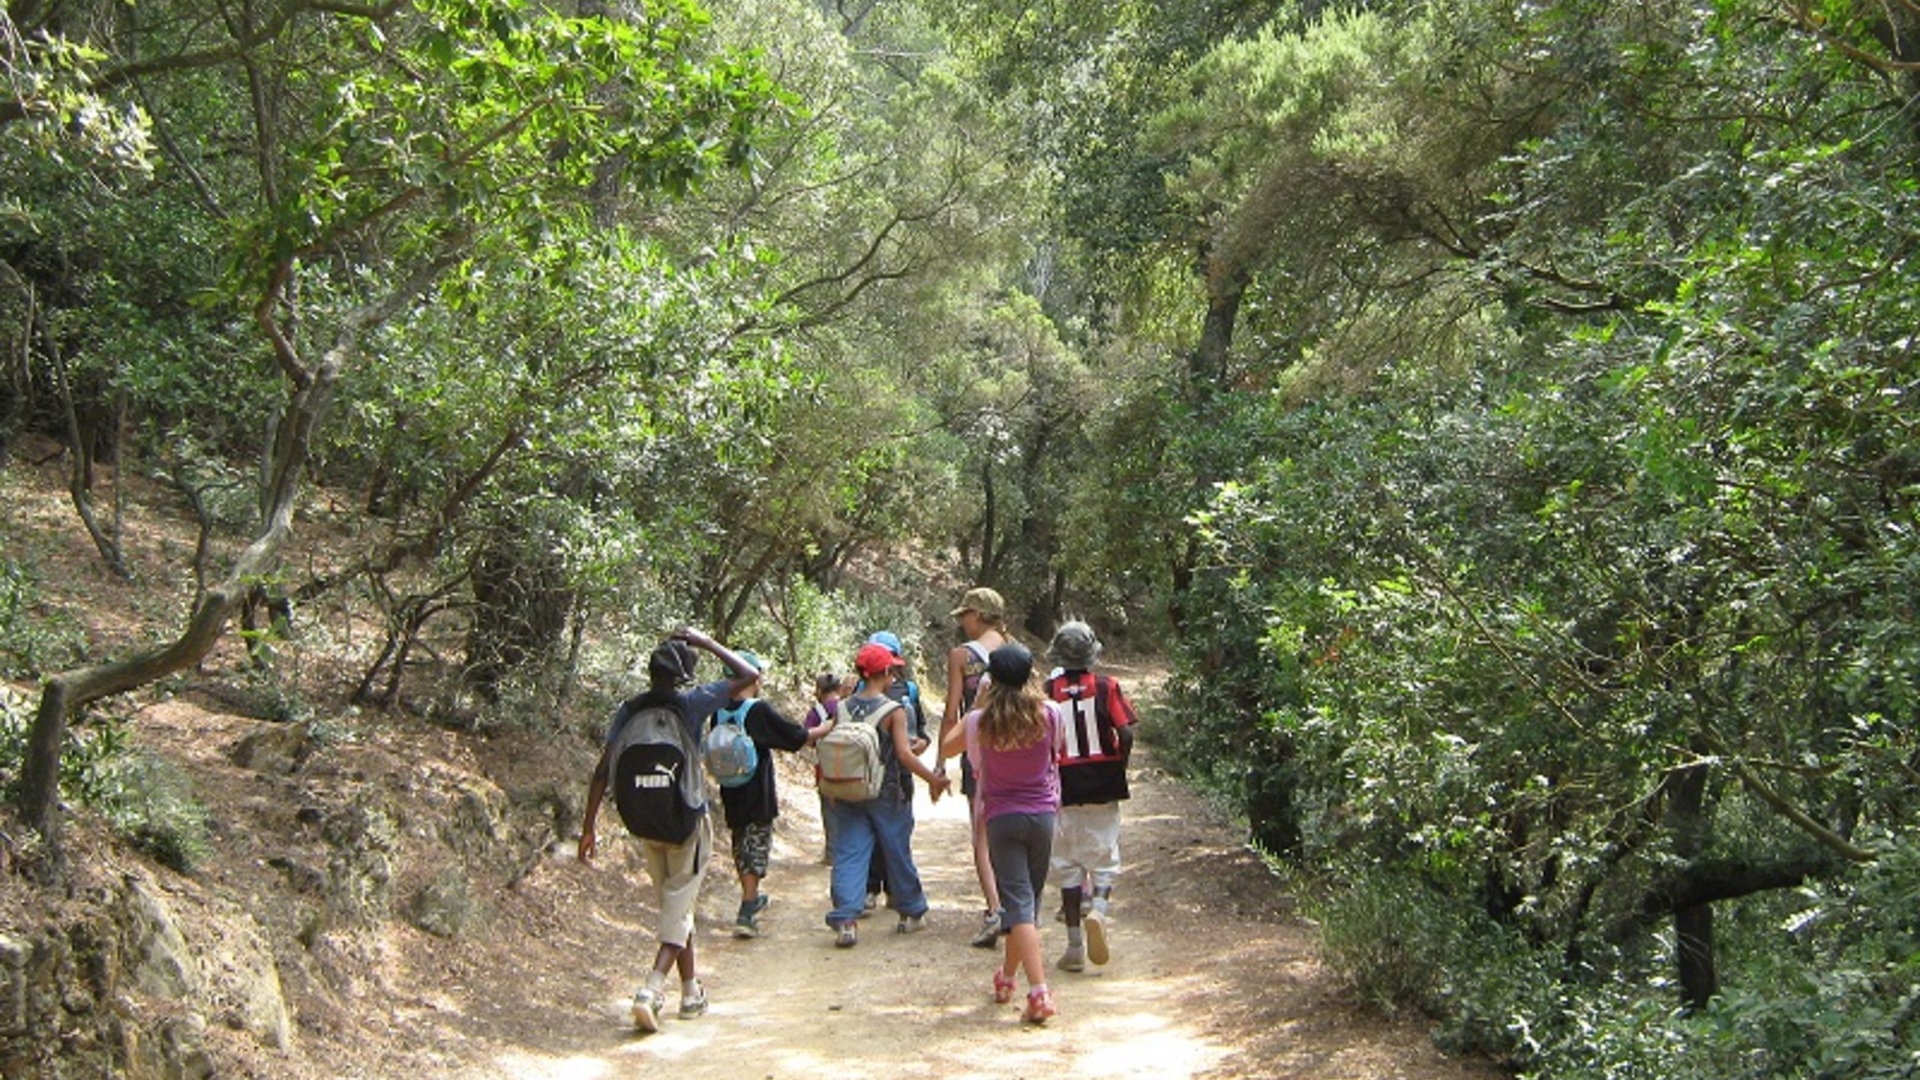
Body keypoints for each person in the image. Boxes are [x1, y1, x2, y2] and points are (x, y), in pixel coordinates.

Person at [577, 627, 757, 1033]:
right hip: (686, 820)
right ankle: (650, 990)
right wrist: (707, 642)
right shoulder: (691, 704)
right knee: (679, 905)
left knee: (676, 907)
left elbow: (602, 771)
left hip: (645, 820)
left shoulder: (630, 710)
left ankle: (690, 991)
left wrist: (588, 829)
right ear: (684, 675)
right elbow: (748, 675)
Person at [940, 642, 1062, 1024]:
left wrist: (977, 705)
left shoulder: (981, 720)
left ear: (991, 678)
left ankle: (1039, 991)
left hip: (1001, 817)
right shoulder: (1050, 712)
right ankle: (1007, 978)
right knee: (1025, 902)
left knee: (1018, 903)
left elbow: (946, 747)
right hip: (1043, 814)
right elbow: (1057, 753)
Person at [824, 642, 952, 946]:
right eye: (892, 668)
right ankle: (911, 911)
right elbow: (905, 756)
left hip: (848, 789)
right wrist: (933, 779)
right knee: (896, 850)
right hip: (886, 791)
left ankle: (845, 919)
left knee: (850, 852)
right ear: (884, 672)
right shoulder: (893, 711)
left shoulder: (843, 707)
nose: (895, 673)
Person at [1043, 621, 1138, 972]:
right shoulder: (1106, 686)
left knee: (1067, 865)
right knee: (1105, 854)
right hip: (1102, 781)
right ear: (1091, 654)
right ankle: (1098, 907)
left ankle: (1073, 947)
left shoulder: (1047, 690)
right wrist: (1119, 767)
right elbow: (1125, 732)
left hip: (1063, 783)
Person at [714, 652, 830, 939]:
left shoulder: (718, 711)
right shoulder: (757, 710)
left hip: (730, 789)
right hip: (757, 790)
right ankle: (748, 906)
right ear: (753, 676)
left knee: (741, 843)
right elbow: (796, 737)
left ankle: (749, 895)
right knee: (757, 843)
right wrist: (828, 727)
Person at [934, 586, 1010, 947]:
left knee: (981, 834)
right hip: (1017, 748)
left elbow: (952, 713)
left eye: (965, 615)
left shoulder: (961, 657)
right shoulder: (1015, 651)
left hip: (977, 751)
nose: (962, 622)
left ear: (978, 615)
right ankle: (1017, 907)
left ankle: (995, 910)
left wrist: (939, 764)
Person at [859, 630, 928, 911]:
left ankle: (894, 891)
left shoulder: (909, 691)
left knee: (897, 835)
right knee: (874, 836)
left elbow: (922, 730)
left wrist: (921, 744)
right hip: (871, 775)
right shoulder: (857, 694)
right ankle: (872, 888)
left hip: (899, 776)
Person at [803, 671, 844, 865]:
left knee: (829, 810)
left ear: (818, 691)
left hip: (825, 768)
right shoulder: (849, 707)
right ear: (839, 689)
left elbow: (808, 741)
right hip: (851, 767)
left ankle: (832, 853)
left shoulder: (815, 713)